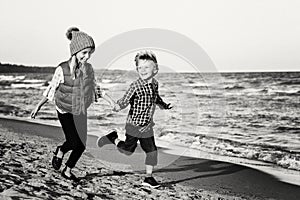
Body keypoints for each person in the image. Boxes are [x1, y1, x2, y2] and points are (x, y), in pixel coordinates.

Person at [31, 27, 115, 181]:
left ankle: (67, 170)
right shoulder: (62, 69)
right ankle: (61, 151)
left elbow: (95, 88)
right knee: (73, 141)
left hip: (79, 110)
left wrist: (111, 102)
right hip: (64, 110)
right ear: (75, 52)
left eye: (90, 53)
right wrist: (38, 106)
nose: (87, 56)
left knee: (81, 145)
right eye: (84, 52)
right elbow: (52, 88)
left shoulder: (89, 69)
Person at [97, 50, 172, 188]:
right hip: (133, 125)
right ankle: (112, 137)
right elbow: (125, 100)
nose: (142, 70)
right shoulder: (135, 86)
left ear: (155, 69)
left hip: (147, 127)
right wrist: (117, 106)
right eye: (140, 68)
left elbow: (156, 97)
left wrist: (163, 105)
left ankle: (148, 178)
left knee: (152, 151)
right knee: (127, 150)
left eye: (146, 67)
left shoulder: (155, 84)